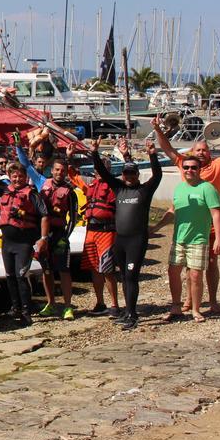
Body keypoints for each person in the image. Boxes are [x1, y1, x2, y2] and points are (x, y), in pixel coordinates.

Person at [152, 116, 220, 314]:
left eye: (204, 150)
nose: (201, 153)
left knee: (211, 263)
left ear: (209, 152)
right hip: (189, 226)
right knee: (189, 267)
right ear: (191, 153)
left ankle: (212, 301)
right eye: (198, 150)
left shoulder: (218, 164)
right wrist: (158, 130)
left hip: (210, 225)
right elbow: (167, 149)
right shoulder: (185, 165)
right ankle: (189, 301)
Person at [89, 138, 162, 329]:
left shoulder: (144, 191)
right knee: (123, 277)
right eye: (126, 173)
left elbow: (158, 175)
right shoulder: (118, 188)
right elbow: (103, 172)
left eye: (132, 173)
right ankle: (127, 311)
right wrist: (94, 152)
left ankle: (133, 314)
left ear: (137, 175)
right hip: (120, 240)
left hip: (137, 240)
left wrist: (152, 154)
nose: (129, 176)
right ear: (122, 175)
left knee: (131, 277)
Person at [0, 156, 48, 325]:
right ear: (10, 177)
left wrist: (43, 238)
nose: (17, 179)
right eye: (14, 176)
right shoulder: (5, 189)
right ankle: (15, 308)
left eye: (20, 176)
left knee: (21, 276)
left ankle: (27, 311)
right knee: (10, 276)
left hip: (24, 242)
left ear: (25, 177)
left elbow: (44, 216)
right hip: (7, 242)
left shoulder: (32, 194)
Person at [66, 145, 121, 316]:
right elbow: (73, 176)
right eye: (97, 170)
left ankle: (115, 305)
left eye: (101, 169)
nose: (98, 172)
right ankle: (100, 303)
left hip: (107, 231)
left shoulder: (115, 186)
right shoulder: (91, 186)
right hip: (91, 230)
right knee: (93, 268)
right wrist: (69, 157)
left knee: (107, 269)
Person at [38, 158, 78, 320]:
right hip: (44, 235)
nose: (59, 173)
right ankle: (51, 303)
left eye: (62, 170)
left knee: (64, 270)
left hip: (60, 234)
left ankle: (68, 306)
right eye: (57, 170)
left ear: (66, 172)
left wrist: (65, 237)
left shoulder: (70, 193)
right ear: (51, 170)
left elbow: (74, 218)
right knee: (46, 270)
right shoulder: (42, 186)